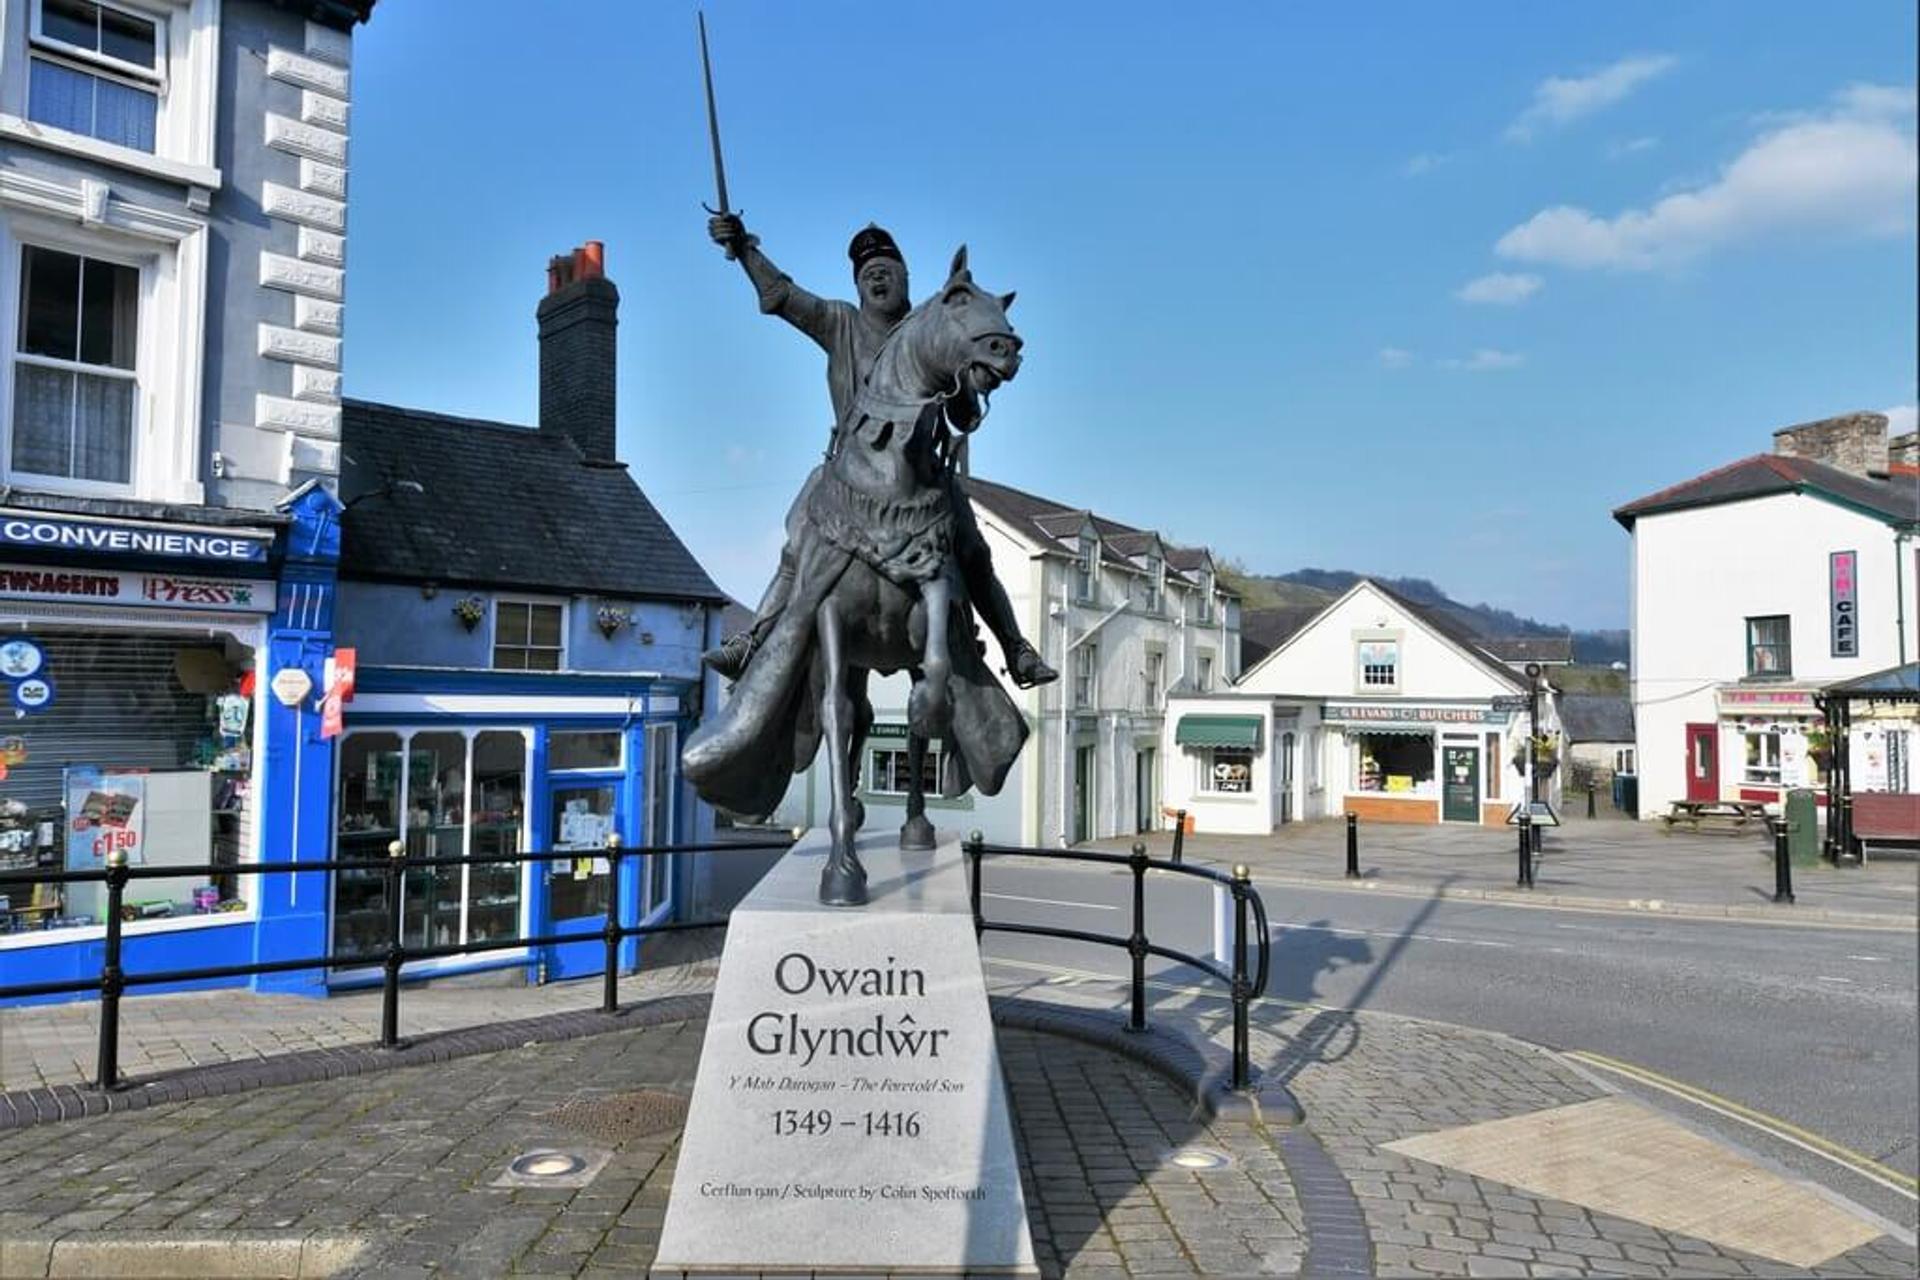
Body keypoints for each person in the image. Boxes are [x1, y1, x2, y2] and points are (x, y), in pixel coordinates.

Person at [700, 213, 1056, 689]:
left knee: (974, 551)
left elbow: (963, 418)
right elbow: (782, 295)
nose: (876, 276)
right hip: (849, 474)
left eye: (886, 267)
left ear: (907, 275)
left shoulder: (931, 331)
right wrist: (744, 248)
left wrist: (971, 385)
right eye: (866, 273)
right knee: (798, 541)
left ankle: (1016, 648)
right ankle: (755, 637)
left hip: (922, 477)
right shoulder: (839, 322)